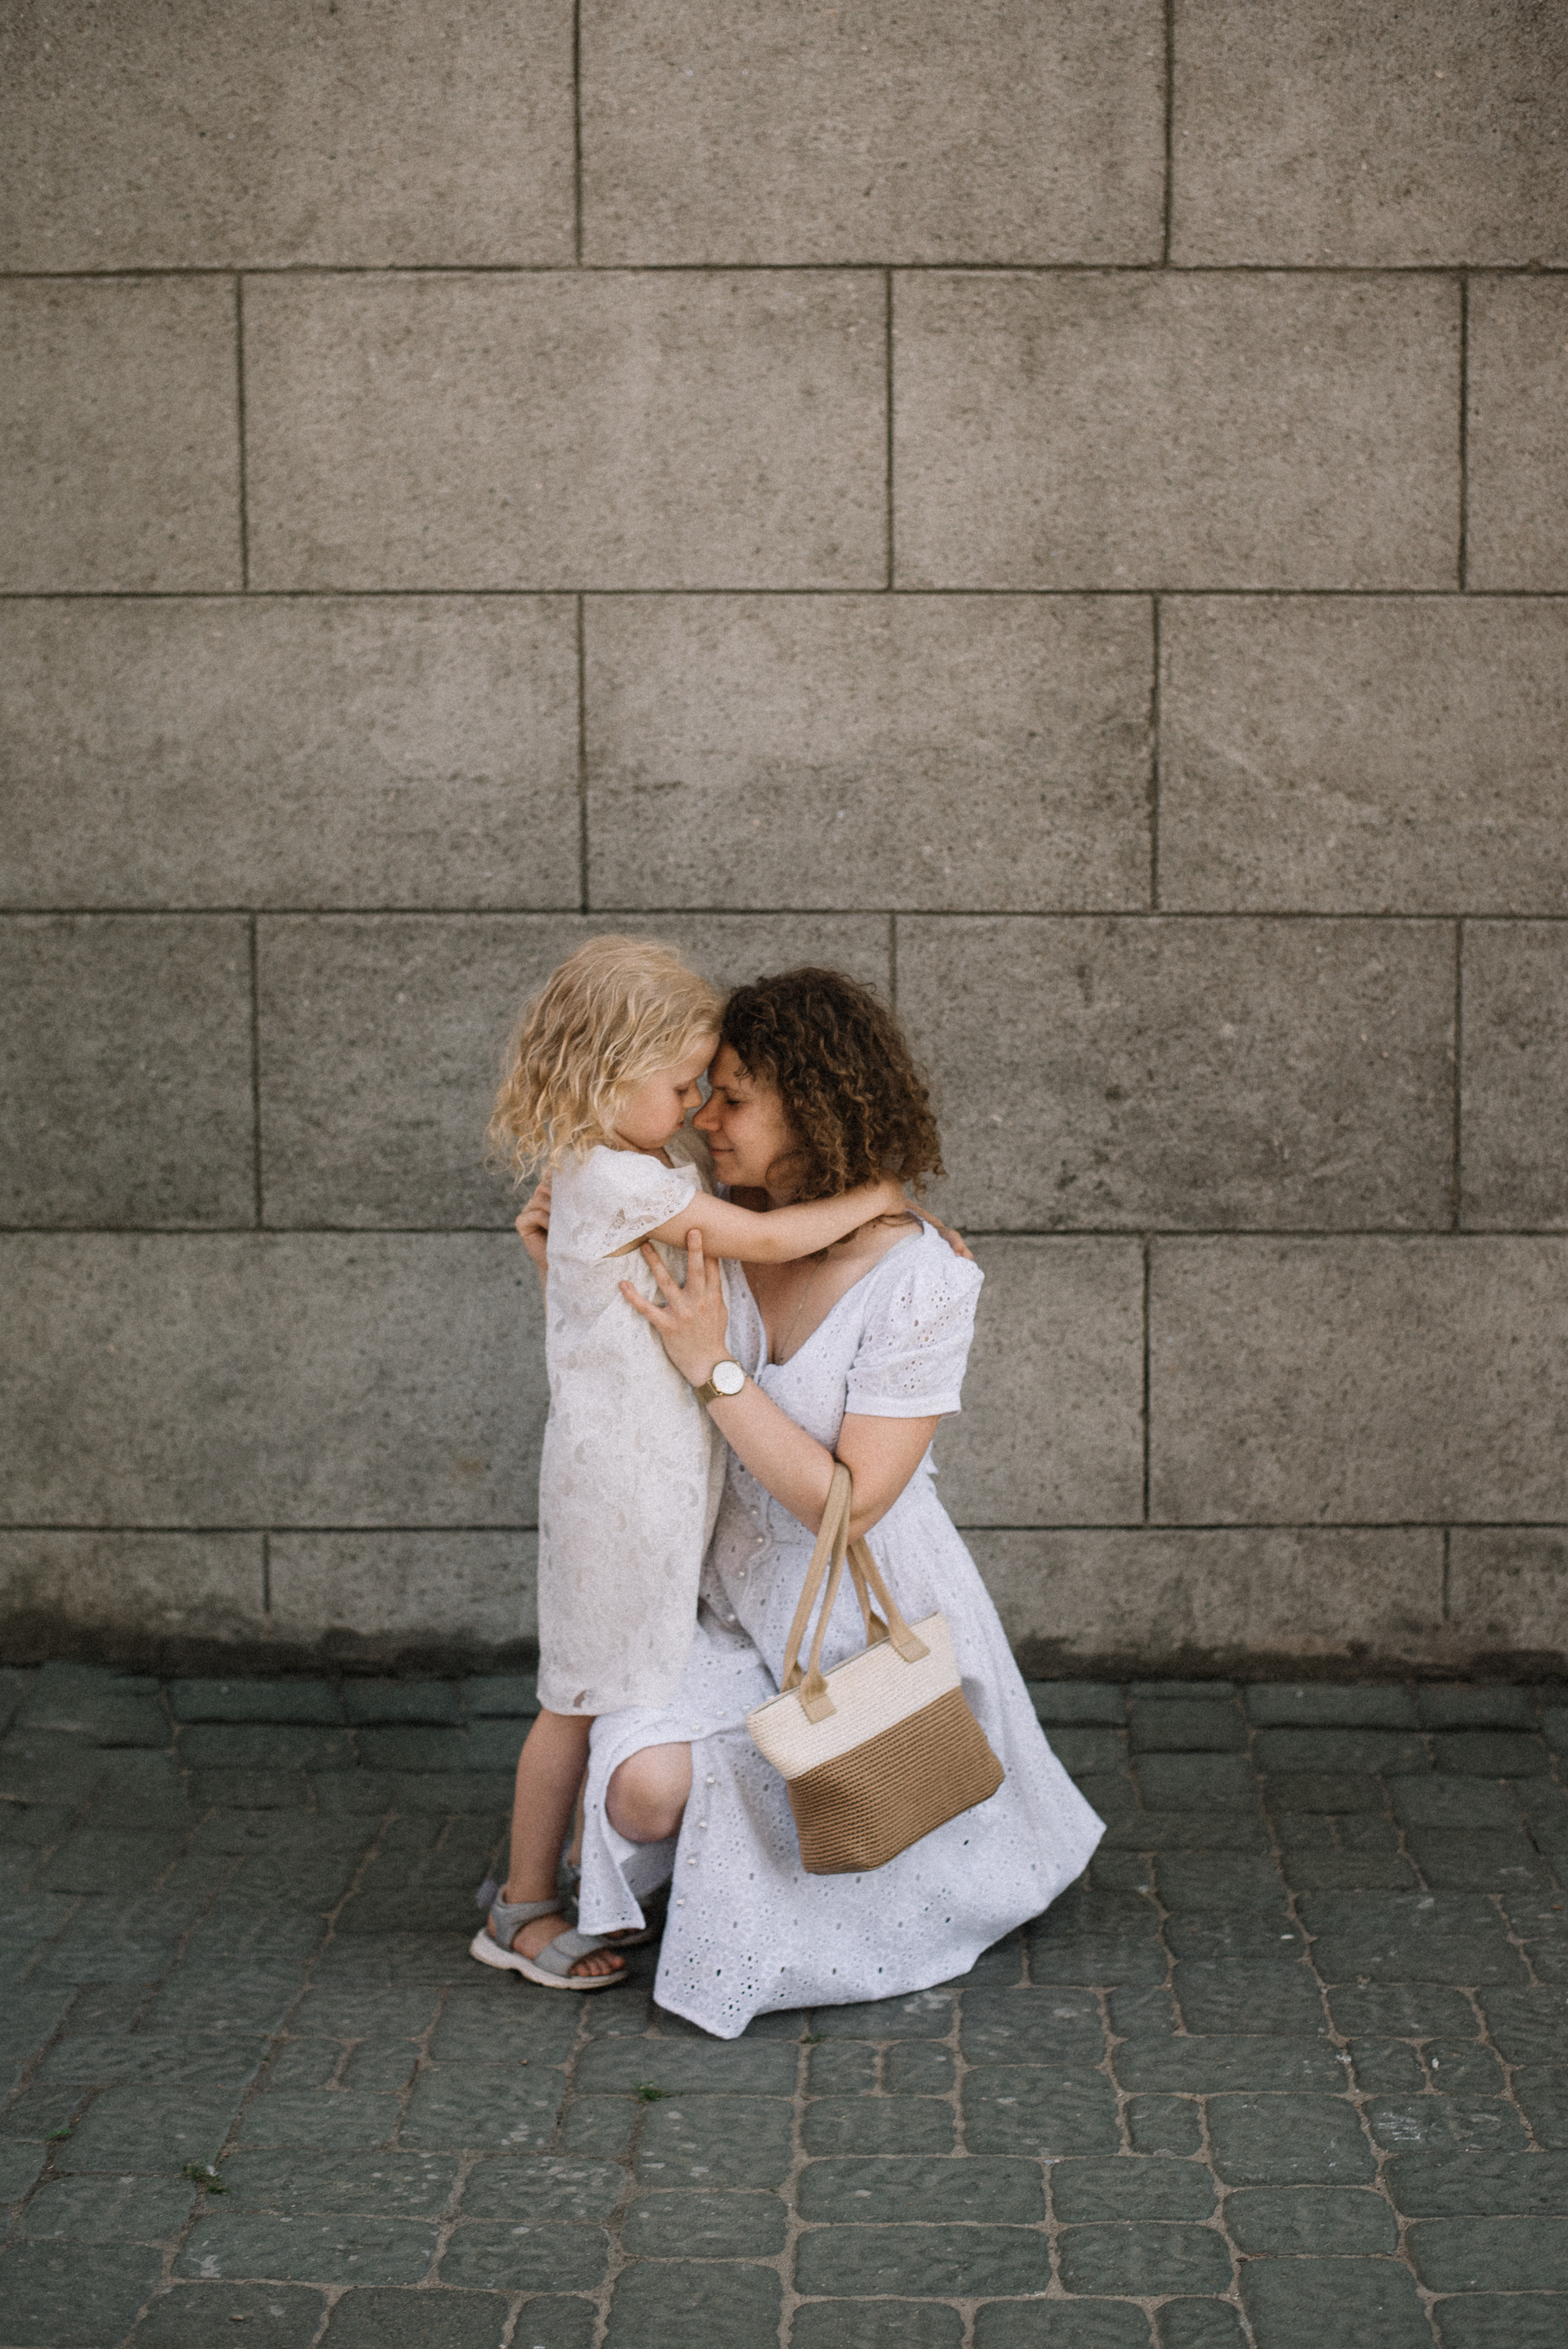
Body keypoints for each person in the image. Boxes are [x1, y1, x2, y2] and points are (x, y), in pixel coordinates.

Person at [567, 965, 1105, 2037]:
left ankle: (823, 1870)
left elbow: (849, 1508)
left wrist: (716, 1371)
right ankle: (693, 1860)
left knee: (846, 1794)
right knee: (641, 1791)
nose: (705, 1122)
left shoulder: (925, 1279)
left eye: (735, 1097)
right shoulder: (711, 1228)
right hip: (716, 1602)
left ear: (814, 1104)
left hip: (862, 1616)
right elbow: (575, 1263)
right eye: (704, 1093)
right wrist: (553, 1237)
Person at [474, 937, 909, 1989]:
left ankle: (584, 1877)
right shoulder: (619, 1175)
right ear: (608, 1076)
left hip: (650, 1480)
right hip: (619, 1492)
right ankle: (523, 1909)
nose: (694, 1111)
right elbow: (761, 1244)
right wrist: (884, 1200)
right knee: (579, 1698)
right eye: (681, 1088)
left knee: (613, 1687)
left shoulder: (623, 1169)